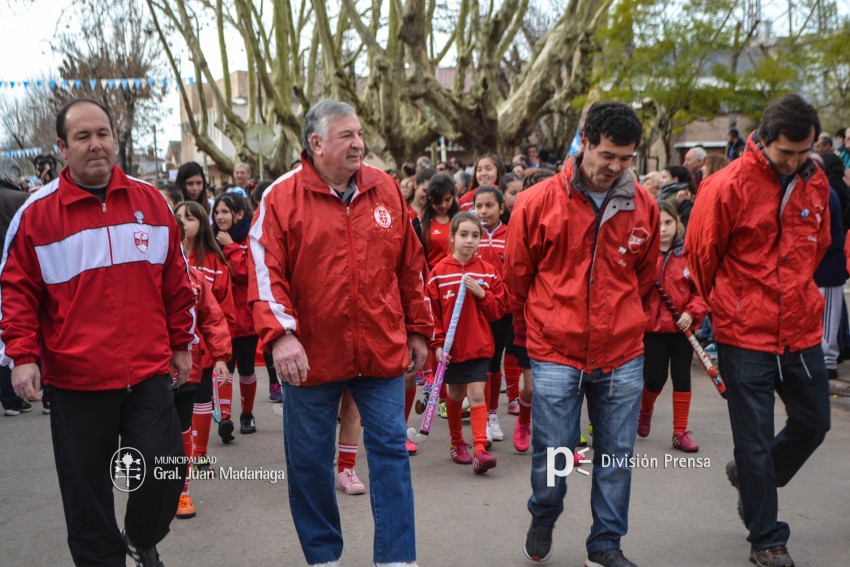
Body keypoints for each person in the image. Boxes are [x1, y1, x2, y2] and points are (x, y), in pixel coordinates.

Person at [0, 98, 195, 566]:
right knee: (87, 500)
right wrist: (22, 355)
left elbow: (177, 281)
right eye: (83, 137)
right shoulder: (35, 215)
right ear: (62, 148)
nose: (96, 145)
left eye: (103, 134)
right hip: (76, 383)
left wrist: (183, 344)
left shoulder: (150, 202)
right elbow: (15, 290)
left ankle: (141, 534)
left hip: (147, 373)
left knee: (163, 472)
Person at [248, 100, 432, 567]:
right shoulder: (280, 198)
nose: (358, 143)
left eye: (359, 134)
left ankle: (396, 558)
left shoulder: (385, 187)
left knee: (390, 451)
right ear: (316, 144)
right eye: (347, 135)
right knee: (310, 464)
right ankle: (323, 557)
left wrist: (419, 329)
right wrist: (282, 335)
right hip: (310, 357)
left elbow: (410, 266)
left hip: (380, 350)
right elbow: (264, 274)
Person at [505, 101, 659, 567]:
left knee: (615, 456)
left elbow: (646, 278)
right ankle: (545, 512)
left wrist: (627, 321)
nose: (615, 167)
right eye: (608, 154)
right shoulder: (537, 203)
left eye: (626, 158)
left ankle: (605, 544)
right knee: (556, 455)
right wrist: (532, 336)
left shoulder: (644, 206)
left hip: (622, 352)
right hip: (555, 352)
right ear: (585, 143)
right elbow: (517, 278)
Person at [687, 94, 831, 567]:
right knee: (753, 441)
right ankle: (766, 538)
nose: (794, 162)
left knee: (814, 424)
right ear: (763, 140)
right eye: (785, 152)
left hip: (802, 328)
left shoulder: (816, 180)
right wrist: (730, 304)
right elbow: (702, 255)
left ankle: (750, 475)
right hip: (742, 332)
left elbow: (820, 243)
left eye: (803, 152)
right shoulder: (726, 185)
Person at [426, 212, 507, 473]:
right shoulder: (438, 273)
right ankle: (457, 442)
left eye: (475, 236)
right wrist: (437, 346)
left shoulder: (488, 273)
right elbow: (432, 315)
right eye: (463, 234)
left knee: (475, 395)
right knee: (455, 394)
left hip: (479, 347)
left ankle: (480, 450)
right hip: (450, 351)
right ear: (452, 238)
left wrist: (482, 294)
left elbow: (499, 310)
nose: (469, 241)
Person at [637, 200, 708, 452]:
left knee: (682, 377)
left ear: (677, 222)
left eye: (668, 222)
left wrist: (692, 312)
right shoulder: (644, 254)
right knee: (655, 379)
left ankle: (680, 431)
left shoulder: (690, 253)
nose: (664, 228)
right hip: (652, 329)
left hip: (682, 330)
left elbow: (701, 290)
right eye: (659, 223)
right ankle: (645, 409)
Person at [213, 193, 259, 438]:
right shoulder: (210, 240)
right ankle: (225, 419)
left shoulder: (249, 237)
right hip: (221, 320)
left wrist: (230, 246)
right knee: (224, 370)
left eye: (225, 212)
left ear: (239, 214)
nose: (220, 217)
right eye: (217, 212)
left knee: (248, 370)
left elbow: (247, 271)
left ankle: (247, 414)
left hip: (247, 319)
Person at [473, 186, 512, 441]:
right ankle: (481, 413)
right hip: (474, 312)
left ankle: (493, 414)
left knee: (494, 362)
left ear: (501, 208)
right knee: (479, 365)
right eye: (479, 206)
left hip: (502, 309)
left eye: (489, 205)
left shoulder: (511, 234)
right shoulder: (470, 234)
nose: (483, 211)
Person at [0, 157, 33, 417]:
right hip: (14, 272)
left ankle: (9, 400)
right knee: (13, 328)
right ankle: (28, 396)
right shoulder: (20, 199)